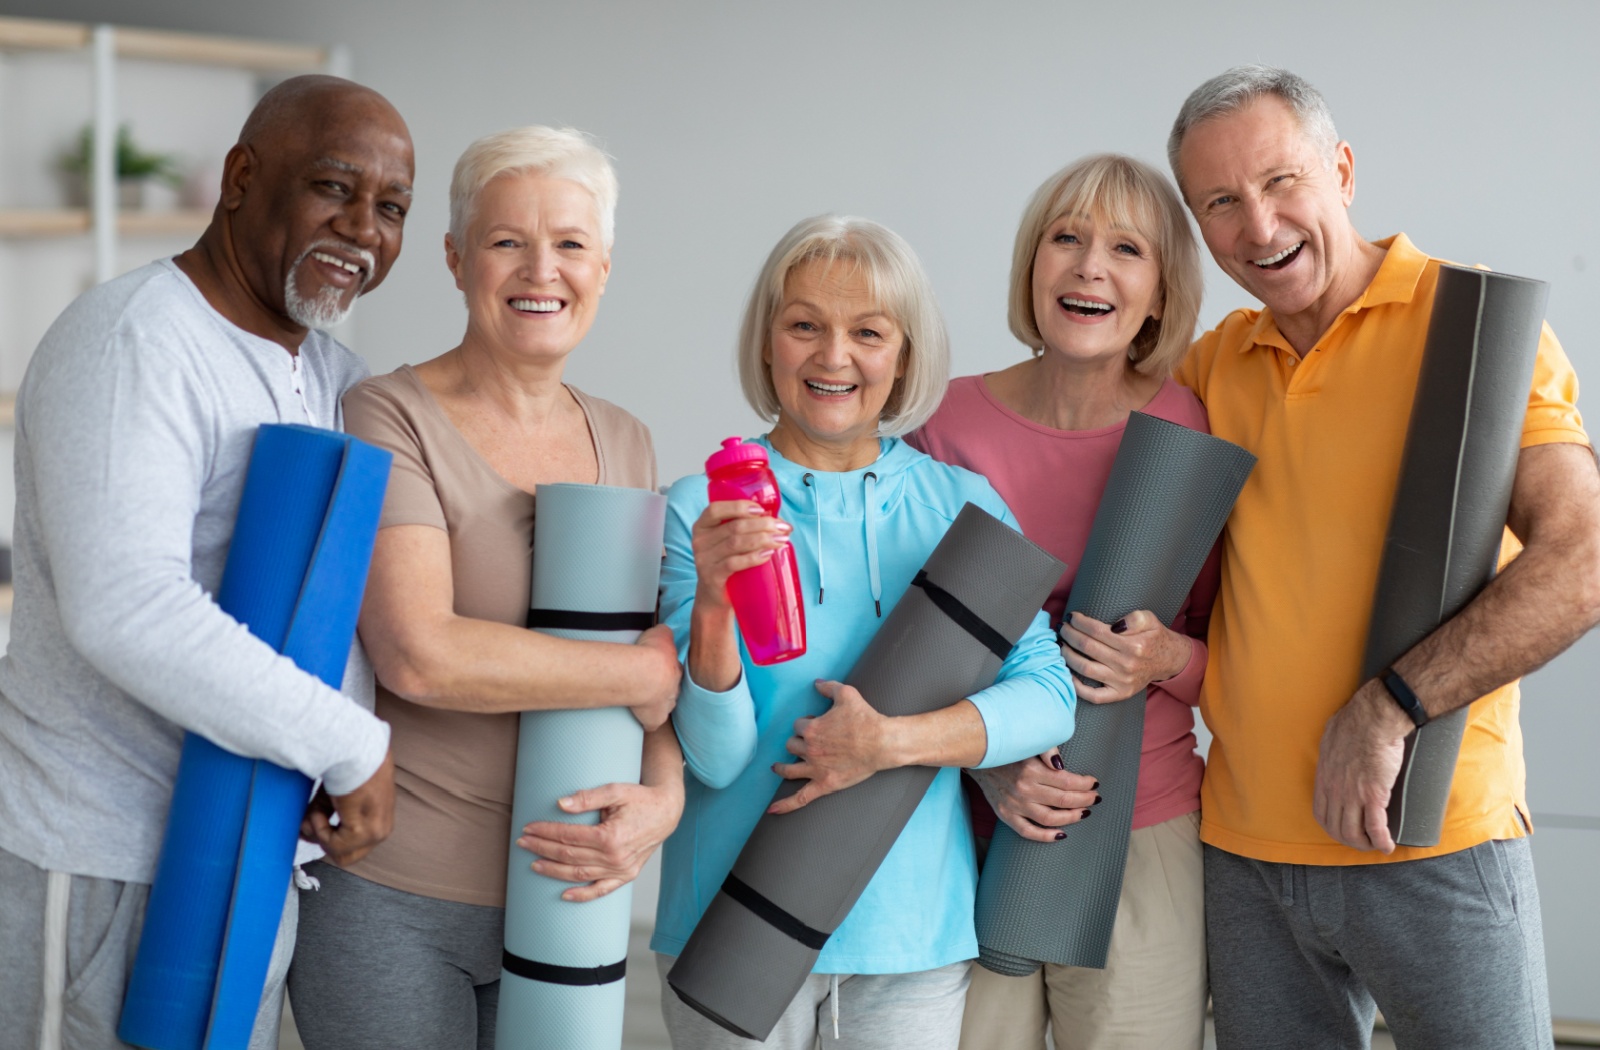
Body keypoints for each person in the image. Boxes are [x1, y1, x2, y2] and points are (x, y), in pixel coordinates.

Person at [1168, 65, 1600, 1049]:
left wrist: (1392, 702)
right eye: (1221, 204)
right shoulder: (1210, 364)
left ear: (1343, 169)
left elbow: (1582, 561)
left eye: (1281, 182)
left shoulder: (1481, 334)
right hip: (1246, 857)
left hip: (1434, 841)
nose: (1259, 226)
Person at [0, 75, 412, 1050]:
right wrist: (351, 745)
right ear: (241, 178)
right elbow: (127, 607)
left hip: (248, 853)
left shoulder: (324, 372)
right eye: (333, 188)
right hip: (104, 863)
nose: (361, 228)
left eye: (390, 208)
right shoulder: (136, 340)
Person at [285, 126, 684, 1050]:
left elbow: (665, 665)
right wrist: (634, 677)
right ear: (458, 259)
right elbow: (421, 653)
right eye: (508, 241)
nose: (540, 269)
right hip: (395, 893)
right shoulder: (389, 415)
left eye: (571, 244)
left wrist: (660, 803)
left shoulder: (626, 439)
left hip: (568, 894)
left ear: (605, 267)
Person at [651, 215, 1076, 1050]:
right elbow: (714, 756)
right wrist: (710, 602)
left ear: (904, 354)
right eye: (804, 324)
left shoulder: (961, 506)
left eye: (867, 332)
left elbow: (1048, 695)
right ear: (768, 342)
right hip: (728, 922)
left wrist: (892, 741)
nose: (833, 356)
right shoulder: (701, 508)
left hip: (909, 933)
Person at [909, 154, 1214, 1050]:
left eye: (1127, 248)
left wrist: (1166, 658)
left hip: (1143, 826)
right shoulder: (944, 424)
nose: (1090, 266)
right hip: (963, 826)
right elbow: (905, 642)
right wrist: (983, 763)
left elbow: (1231, 651)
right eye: (1066, 238)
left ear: (1159, 293)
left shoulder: (1192, 431)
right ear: (1031, 266)